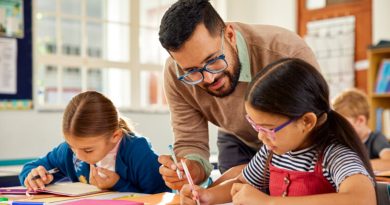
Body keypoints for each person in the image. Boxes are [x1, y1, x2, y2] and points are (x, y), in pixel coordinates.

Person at [158, 0, 320, 190]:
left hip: (294, 145)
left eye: (212, 60)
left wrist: (252, 175)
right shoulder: (176, 74)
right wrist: (191, 169)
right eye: (192, 70)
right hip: (236, 137)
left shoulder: (287, 52)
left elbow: (313, 130)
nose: (209, 78)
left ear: (230, 35)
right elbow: (190, 140)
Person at [180, 58, 376, 205]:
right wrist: (206, 196)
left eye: (269, 129)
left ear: (306, 121)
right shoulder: (272, 152)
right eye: (256, 125)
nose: (260, 136)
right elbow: (241, 183)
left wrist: (269, 202)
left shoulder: (334, 156)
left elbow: (363, 199)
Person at [19, 91, 170, 194]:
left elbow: (161, 197)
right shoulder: (68, 151)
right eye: (72, 146)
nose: (78, 155)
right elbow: (29, 168)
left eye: (88, 150)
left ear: (115, 136)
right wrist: (32, 177)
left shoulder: (138, 152)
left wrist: (118, 184)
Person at [333, 88, 390, 171]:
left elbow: (388, 163)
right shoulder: (344, 142)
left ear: (360, 120)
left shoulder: (376, 139)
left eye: (342, 124)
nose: (338, 129)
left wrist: (354, 165)